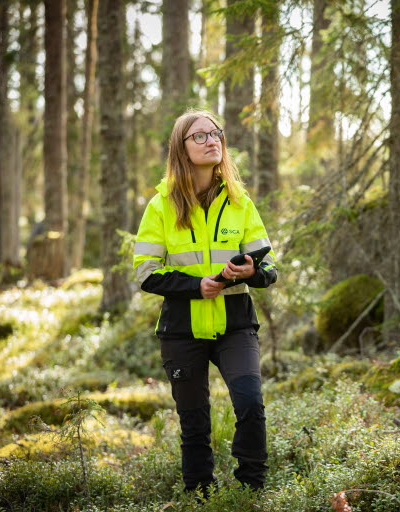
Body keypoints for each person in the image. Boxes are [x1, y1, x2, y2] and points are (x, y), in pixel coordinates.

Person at [132, 109, 277, 496]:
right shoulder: (160, 206)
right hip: (182, 327)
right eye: (199, 136)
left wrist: (250, 272)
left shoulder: (239, 201)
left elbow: (269, 267)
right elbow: (146, 273)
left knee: (250, 403)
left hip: (235, 321)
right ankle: (200, 495)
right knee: (194, 420)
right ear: (181, 148)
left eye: (216, 134)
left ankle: (251, 491)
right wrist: (198, 285)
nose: (212, 140)